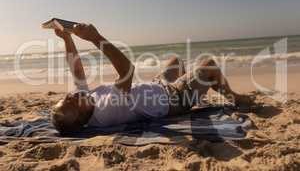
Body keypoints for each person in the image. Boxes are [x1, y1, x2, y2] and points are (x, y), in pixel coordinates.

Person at [51, 23, 254, 134]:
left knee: (175, 60)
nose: (72, 95)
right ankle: (235, 98)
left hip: (158, 86)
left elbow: (76, 70)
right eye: (72, 102)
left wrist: (67, 38)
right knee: (209, 65)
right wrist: (95, 37)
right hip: (173, 100)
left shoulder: (86, 102)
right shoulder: (106, 109)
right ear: (82, 119)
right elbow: (127, 71)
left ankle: (196, 89)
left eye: (67, 97)